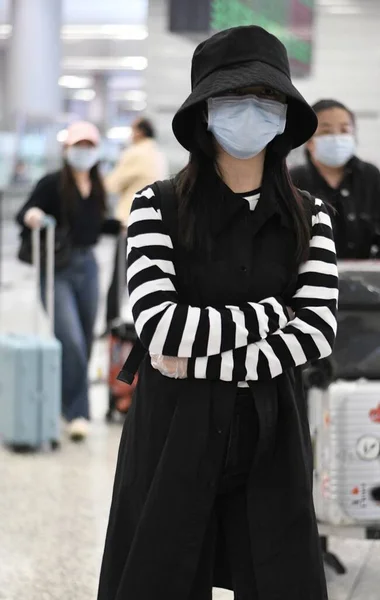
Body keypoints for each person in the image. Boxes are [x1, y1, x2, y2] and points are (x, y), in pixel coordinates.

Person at [98, 26, 338, 600]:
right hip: (172, 429)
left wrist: (198, 359)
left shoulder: (312, 216)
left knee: (281, 574)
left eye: (268, 99)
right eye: (234, 99)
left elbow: (318, 331)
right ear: (204, 112)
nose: (251, 112)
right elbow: (160, 325)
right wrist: (271, 313)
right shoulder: (157, 206)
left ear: (284, 114)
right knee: (160, 572)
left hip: (270, 425)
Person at [16, 121, 121, 442]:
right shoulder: (52, 183)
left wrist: (121, 225)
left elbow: (95, 226)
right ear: (67, 150)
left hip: (87, 266)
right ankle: (78, 412)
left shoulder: (97, 184)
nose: (84, 152)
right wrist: (33, 215)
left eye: (90, 146)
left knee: (86, 341)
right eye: (79, 146)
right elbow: (23, 212)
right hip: (58, 267)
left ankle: (65, 402)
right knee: (71, 338)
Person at [291, 99, 380, 258]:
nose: (336, 138)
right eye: (326, 131)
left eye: (344, 130)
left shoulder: (371, 177)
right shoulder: (293, 180)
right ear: (309, 140)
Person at [104, 117, 168, 328]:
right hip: (156, 222)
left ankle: (112, 324)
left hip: (129, 223)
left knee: (120, 277)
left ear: (140, 132)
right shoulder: (158, 154)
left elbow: (112, 184)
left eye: (132, 130)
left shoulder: (135, 153)